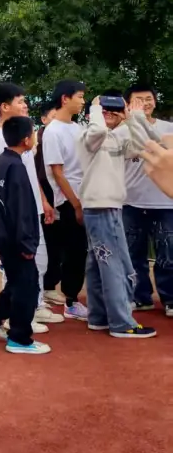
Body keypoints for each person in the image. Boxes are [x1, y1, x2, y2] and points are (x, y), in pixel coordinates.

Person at [78, 95, 158, 338]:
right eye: (104, 111)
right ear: (93, 115)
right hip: (101, 207)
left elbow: (145, 144)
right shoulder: (88, 137)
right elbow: (97, 131)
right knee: (116, 265)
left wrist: (131, 118)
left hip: (107, 206)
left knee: (98, 264)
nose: (109, 114)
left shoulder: (116, 139)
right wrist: (95, 107)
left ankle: (99, 317)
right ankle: (122, 322)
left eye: (113, 111)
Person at [0, 84, 61, 330]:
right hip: (15, 218)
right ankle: (16, 316)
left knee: (39, 263)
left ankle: (34, 306)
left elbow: (29, 174)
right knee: (18, 270)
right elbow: (1, 185)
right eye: (20, 101)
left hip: (31, 209)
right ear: (4, 106)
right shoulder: (0, 140)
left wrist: (43, 201)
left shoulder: (21, 136)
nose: (25, 105)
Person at [0, 117, 51, 354]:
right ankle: (19, 338)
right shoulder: (16, 166)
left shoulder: (3, 161)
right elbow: (20, 209)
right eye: (34, 133)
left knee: (20, 283)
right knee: (26, 287)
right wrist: (27, 244)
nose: (35, 137)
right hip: (16, 240)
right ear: (26, 139)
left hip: (4, 236)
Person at [117, 84, 173, 314]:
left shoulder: (168, 128)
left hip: (165, 201)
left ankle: (170, 299)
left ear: (155, 101)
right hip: (132, 201)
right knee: (133, 253)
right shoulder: (121, 131)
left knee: (168, 252)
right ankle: (140, 297)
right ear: (128, 104)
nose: (145, 103)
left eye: (148, 99)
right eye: (138, 100)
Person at [41, 80, 89, 320]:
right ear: (65, 99)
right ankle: (71, 301)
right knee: (74, 251)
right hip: (68, 200)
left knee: (81, 251)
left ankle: (74, 296)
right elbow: (58, 173)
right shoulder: (53, 132)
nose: (83, 101)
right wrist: (75, 204)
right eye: (79, 96)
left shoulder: (78, 128)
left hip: (85, 196)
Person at [34, 104, 64, 303]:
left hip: (61, 197)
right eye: (54, 117)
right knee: (50, 244)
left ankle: (51, 285)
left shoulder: (63, 138)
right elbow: (37, 176)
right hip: (46, 199)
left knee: (60, 245)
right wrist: (44, 200)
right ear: (44, 120)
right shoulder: (37, 143)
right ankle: (47, 287)